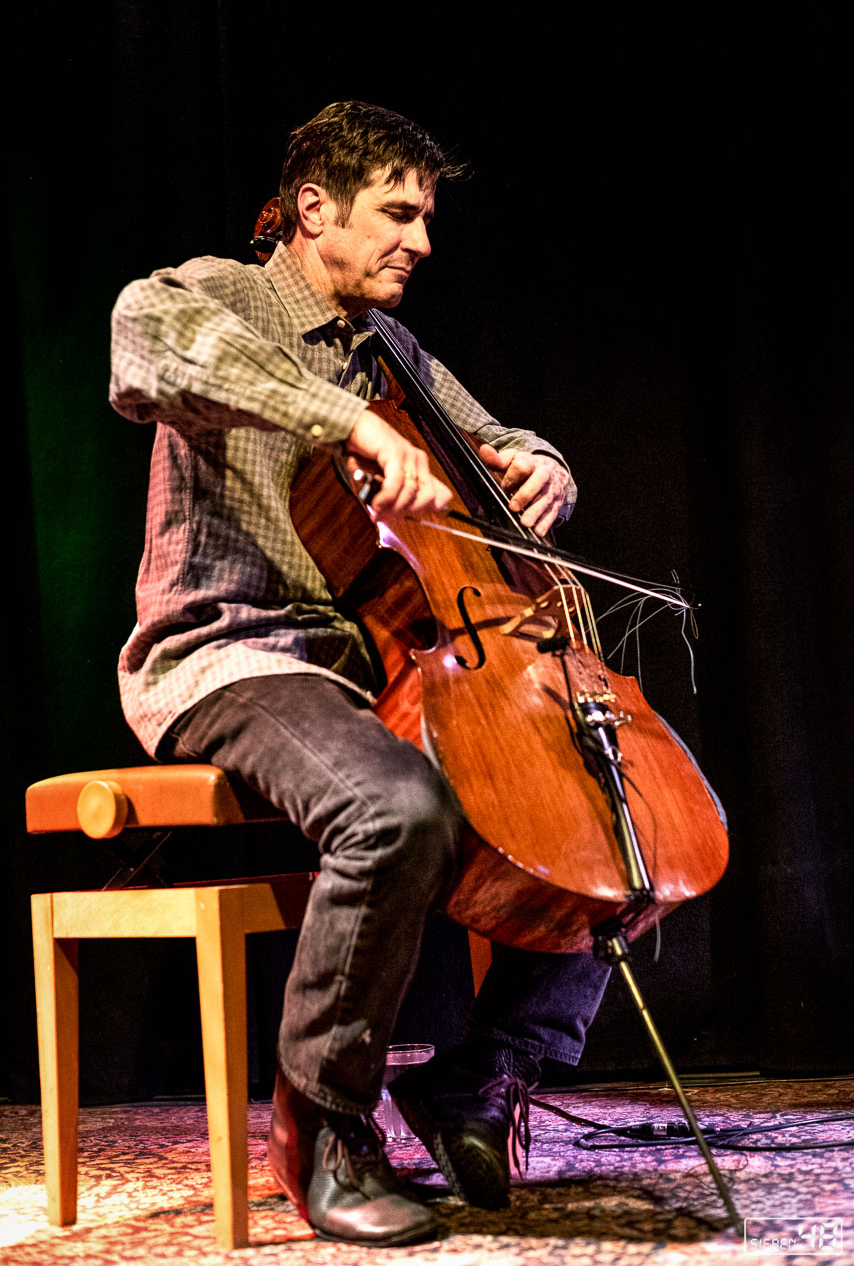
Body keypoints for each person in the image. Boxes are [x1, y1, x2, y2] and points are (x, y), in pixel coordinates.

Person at [110, 100, 611, 1246]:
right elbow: (142, 347)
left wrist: (541, 467)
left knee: (608, 806)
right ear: (311, 209)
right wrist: (348, 421)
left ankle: (478, 1075)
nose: (419, 240)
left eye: (425, 216)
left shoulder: (396, 352)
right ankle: (321, 1123)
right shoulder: (211, 296)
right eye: (397, 211)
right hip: (229, 653)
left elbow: (500, 440)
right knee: (395, 809)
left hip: (377, 671)